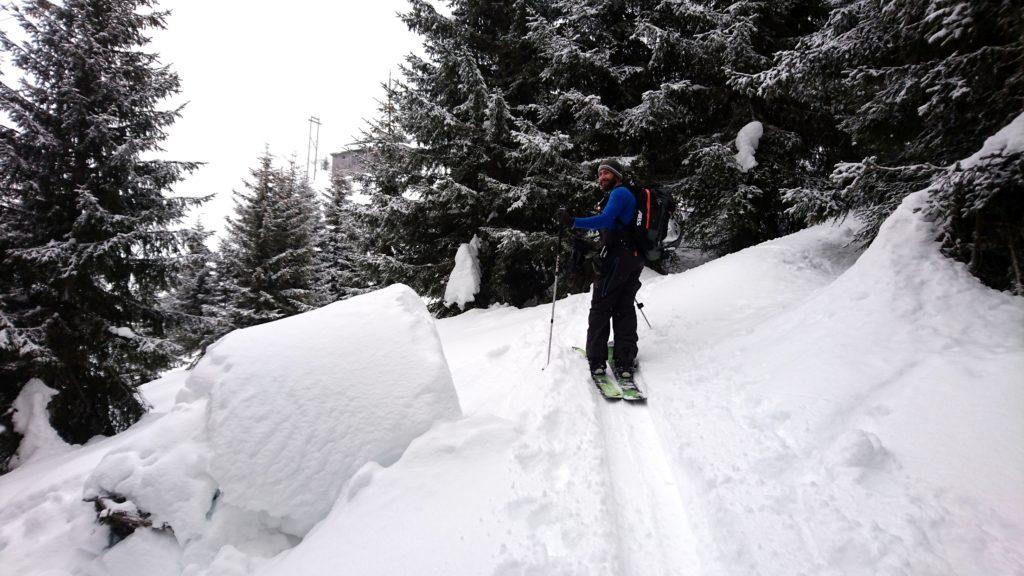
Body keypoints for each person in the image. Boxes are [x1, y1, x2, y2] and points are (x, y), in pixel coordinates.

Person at [559, 159, 645, 384]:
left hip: (618, 259)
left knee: (601, 307)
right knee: (624, 307)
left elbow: (606, 220)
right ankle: (625, 360)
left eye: (606, 173)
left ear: (617, 175)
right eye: (599, 174)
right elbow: (614, 226)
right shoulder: (628, 195)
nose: (601, 177)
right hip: (633, 258)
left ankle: (597, 361)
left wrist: (572, 222)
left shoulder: (619, 193)